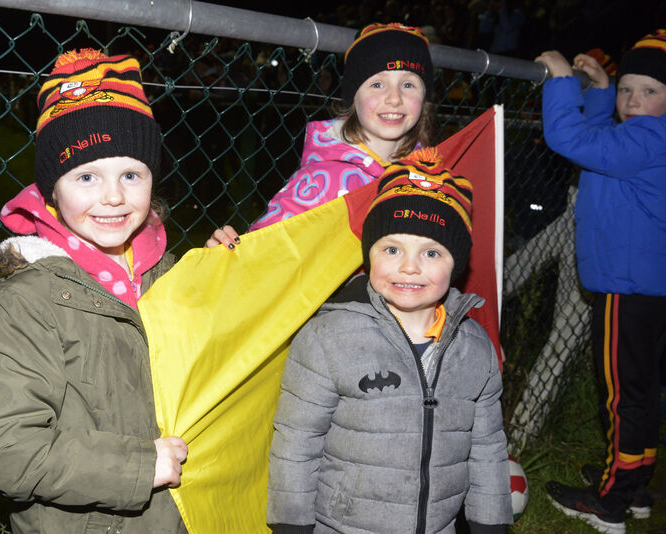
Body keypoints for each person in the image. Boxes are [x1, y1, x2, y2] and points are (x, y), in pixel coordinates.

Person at [0, 49, 188, 534]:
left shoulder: (167, 270)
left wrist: (225, 266)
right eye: (86, 176)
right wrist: (137, 467)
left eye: (130, 174)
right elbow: (13, 454)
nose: (113, 196)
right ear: (52, 191)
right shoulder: (19, 304)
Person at [266, 149, 513, 534]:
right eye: (392, 249)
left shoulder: (476, 349)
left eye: (432, 252)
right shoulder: (326, 339)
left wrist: (490, 523)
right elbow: (296, 445)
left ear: (457, 265)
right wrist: (291, 525)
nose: (409, 266)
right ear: (369, 254)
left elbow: (487, 448)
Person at [535, 30, 666, 534]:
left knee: (623, 396)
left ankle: (610, 502)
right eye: (627, 90)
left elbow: (569, 139)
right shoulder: (642, 137)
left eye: (647, 91)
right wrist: (601, 89)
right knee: (640, 389)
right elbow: (594, 146)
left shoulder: (647, 137)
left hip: (625, 287)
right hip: (643, 287)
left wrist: (563, 81)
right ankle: (633, 483)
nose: (633, 101)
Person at [206, 22, 436, 249]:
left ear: (425, 98)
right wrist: (228, 256)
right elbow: (266, 251)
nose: (394, 98)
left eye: (408, 84)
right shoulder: (322, 180)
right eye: (377, 84)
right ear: (353, 98)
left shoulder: (431, 176)